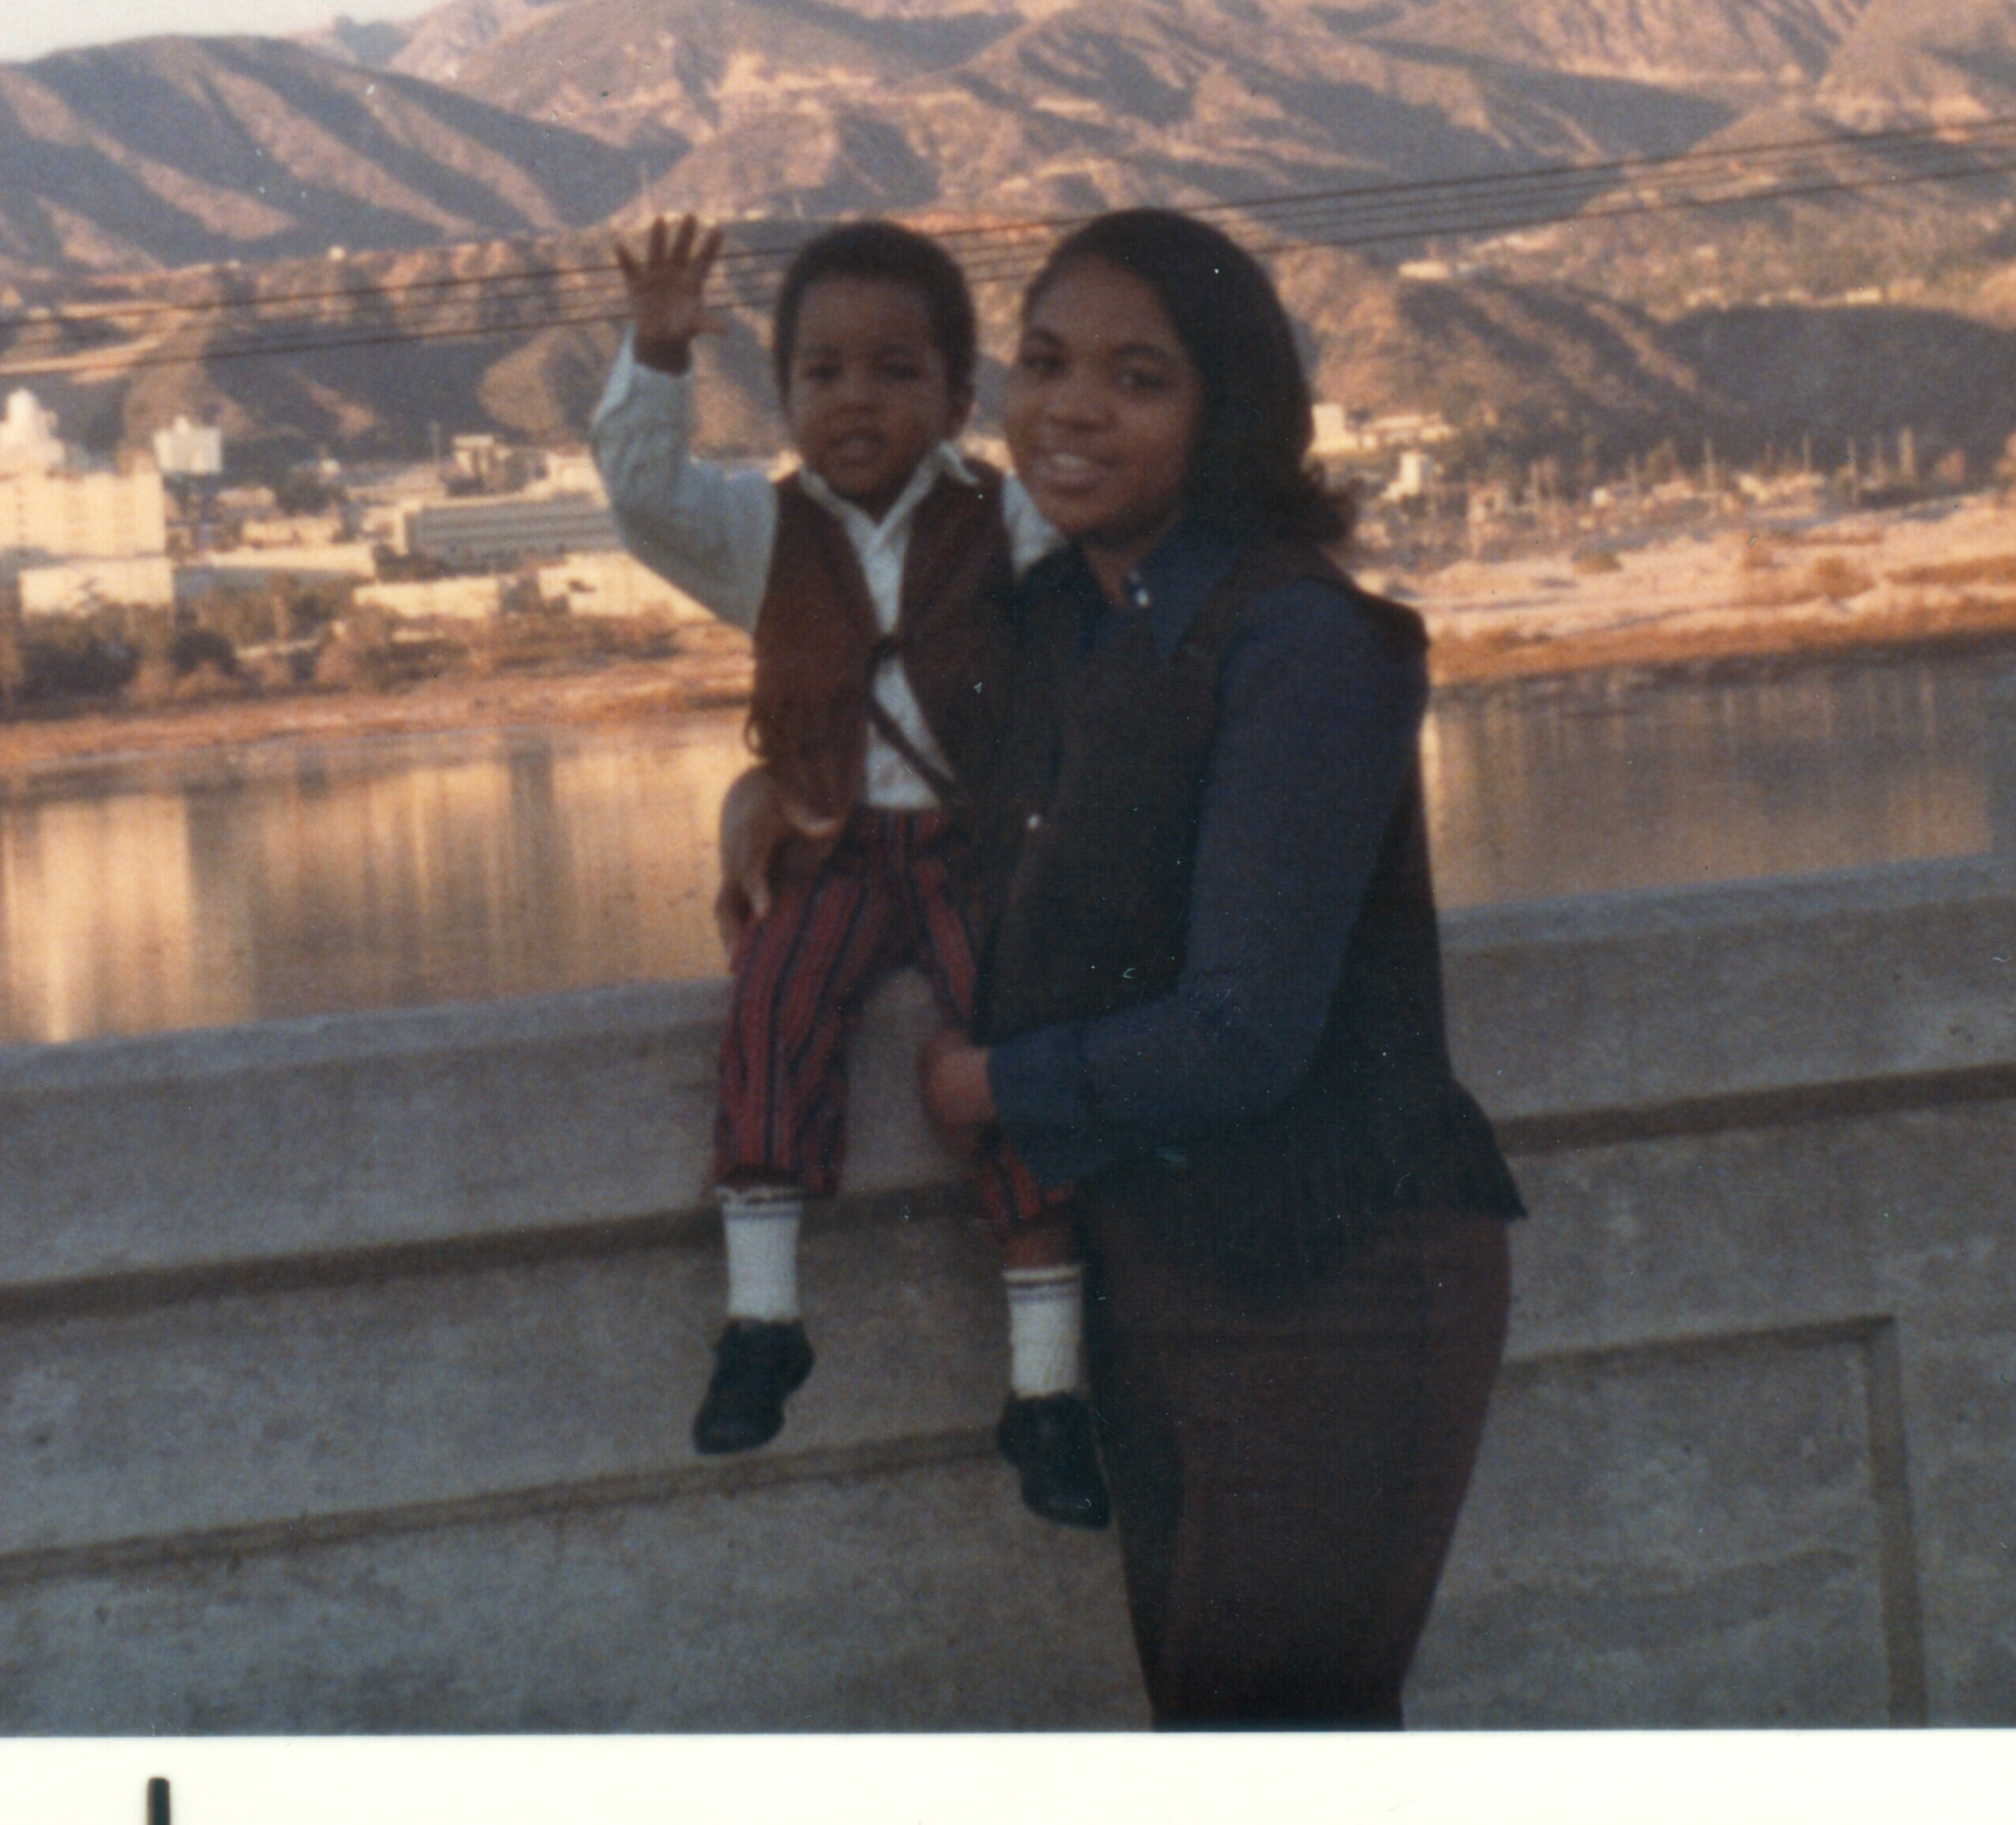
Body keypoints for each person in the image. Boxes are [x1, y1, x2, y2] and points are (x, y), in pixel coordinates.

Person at [918, 208, 1525, 1728]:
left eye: (1138, 377)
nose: (1069, 407)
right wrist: (760, 798)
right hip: (1158, 1271)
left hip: (1344, 1277)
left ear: (1230, 411)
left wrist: (995, 1082)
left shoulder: (1309, 642)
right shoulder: (1062, 618)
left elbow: (1246, 1031)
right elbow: (879, 760)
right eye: (1044, 362)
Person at [588, 212, 1109, 1528]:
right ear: (783, 394)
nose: (856, 398)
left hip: (978, 850)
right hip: (826, 843)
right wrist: (655, 352)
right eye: (821, 373)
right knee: (769, 1009)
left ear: (955, 392)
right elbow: (641, 493)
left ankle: (1047, 1392)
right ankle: (766, 1320)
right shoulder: (752, 535)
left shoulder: (1016, 521)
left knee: (1016, 1053)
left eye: (893, 370)